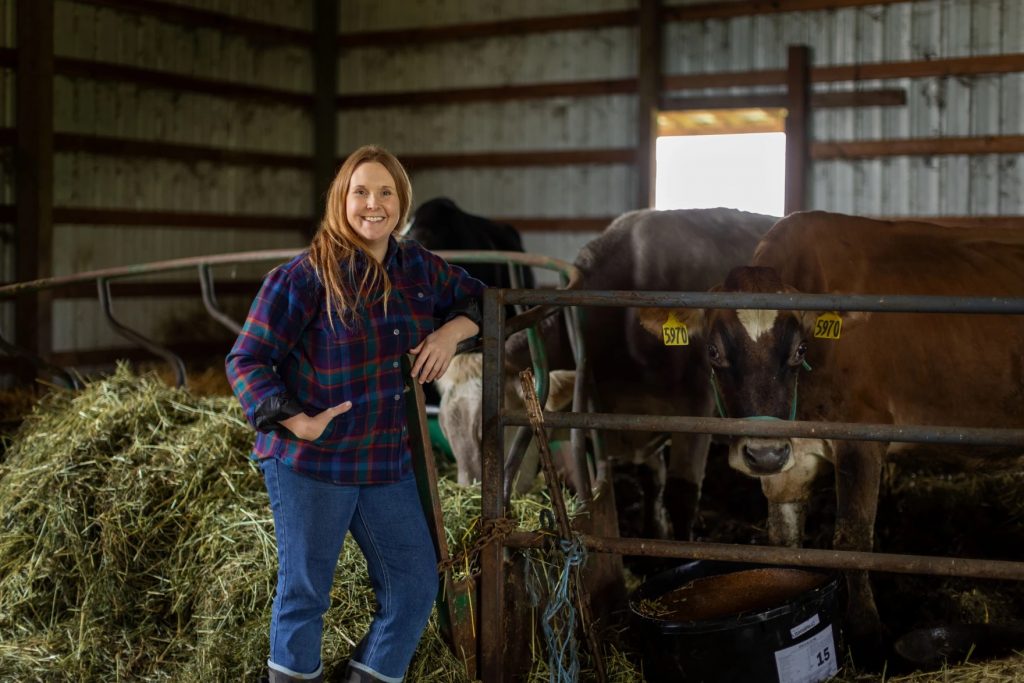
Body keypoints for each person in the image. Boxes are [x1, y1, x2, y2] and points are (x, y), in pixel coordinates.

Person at [226, 144, 485, 683]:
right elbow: (247, 359)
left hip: (383, 459)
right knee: (305, 595)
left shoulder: (417, 266)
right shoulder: (303, 277)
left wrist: (449, 334)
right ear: (340, 200)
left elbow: (484, 300)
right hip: (311, 461)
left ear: (401, 201)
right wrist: (298, 420)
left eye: (386, 192)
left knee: (414, 586)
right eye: (360, 192)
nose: (374, 204)